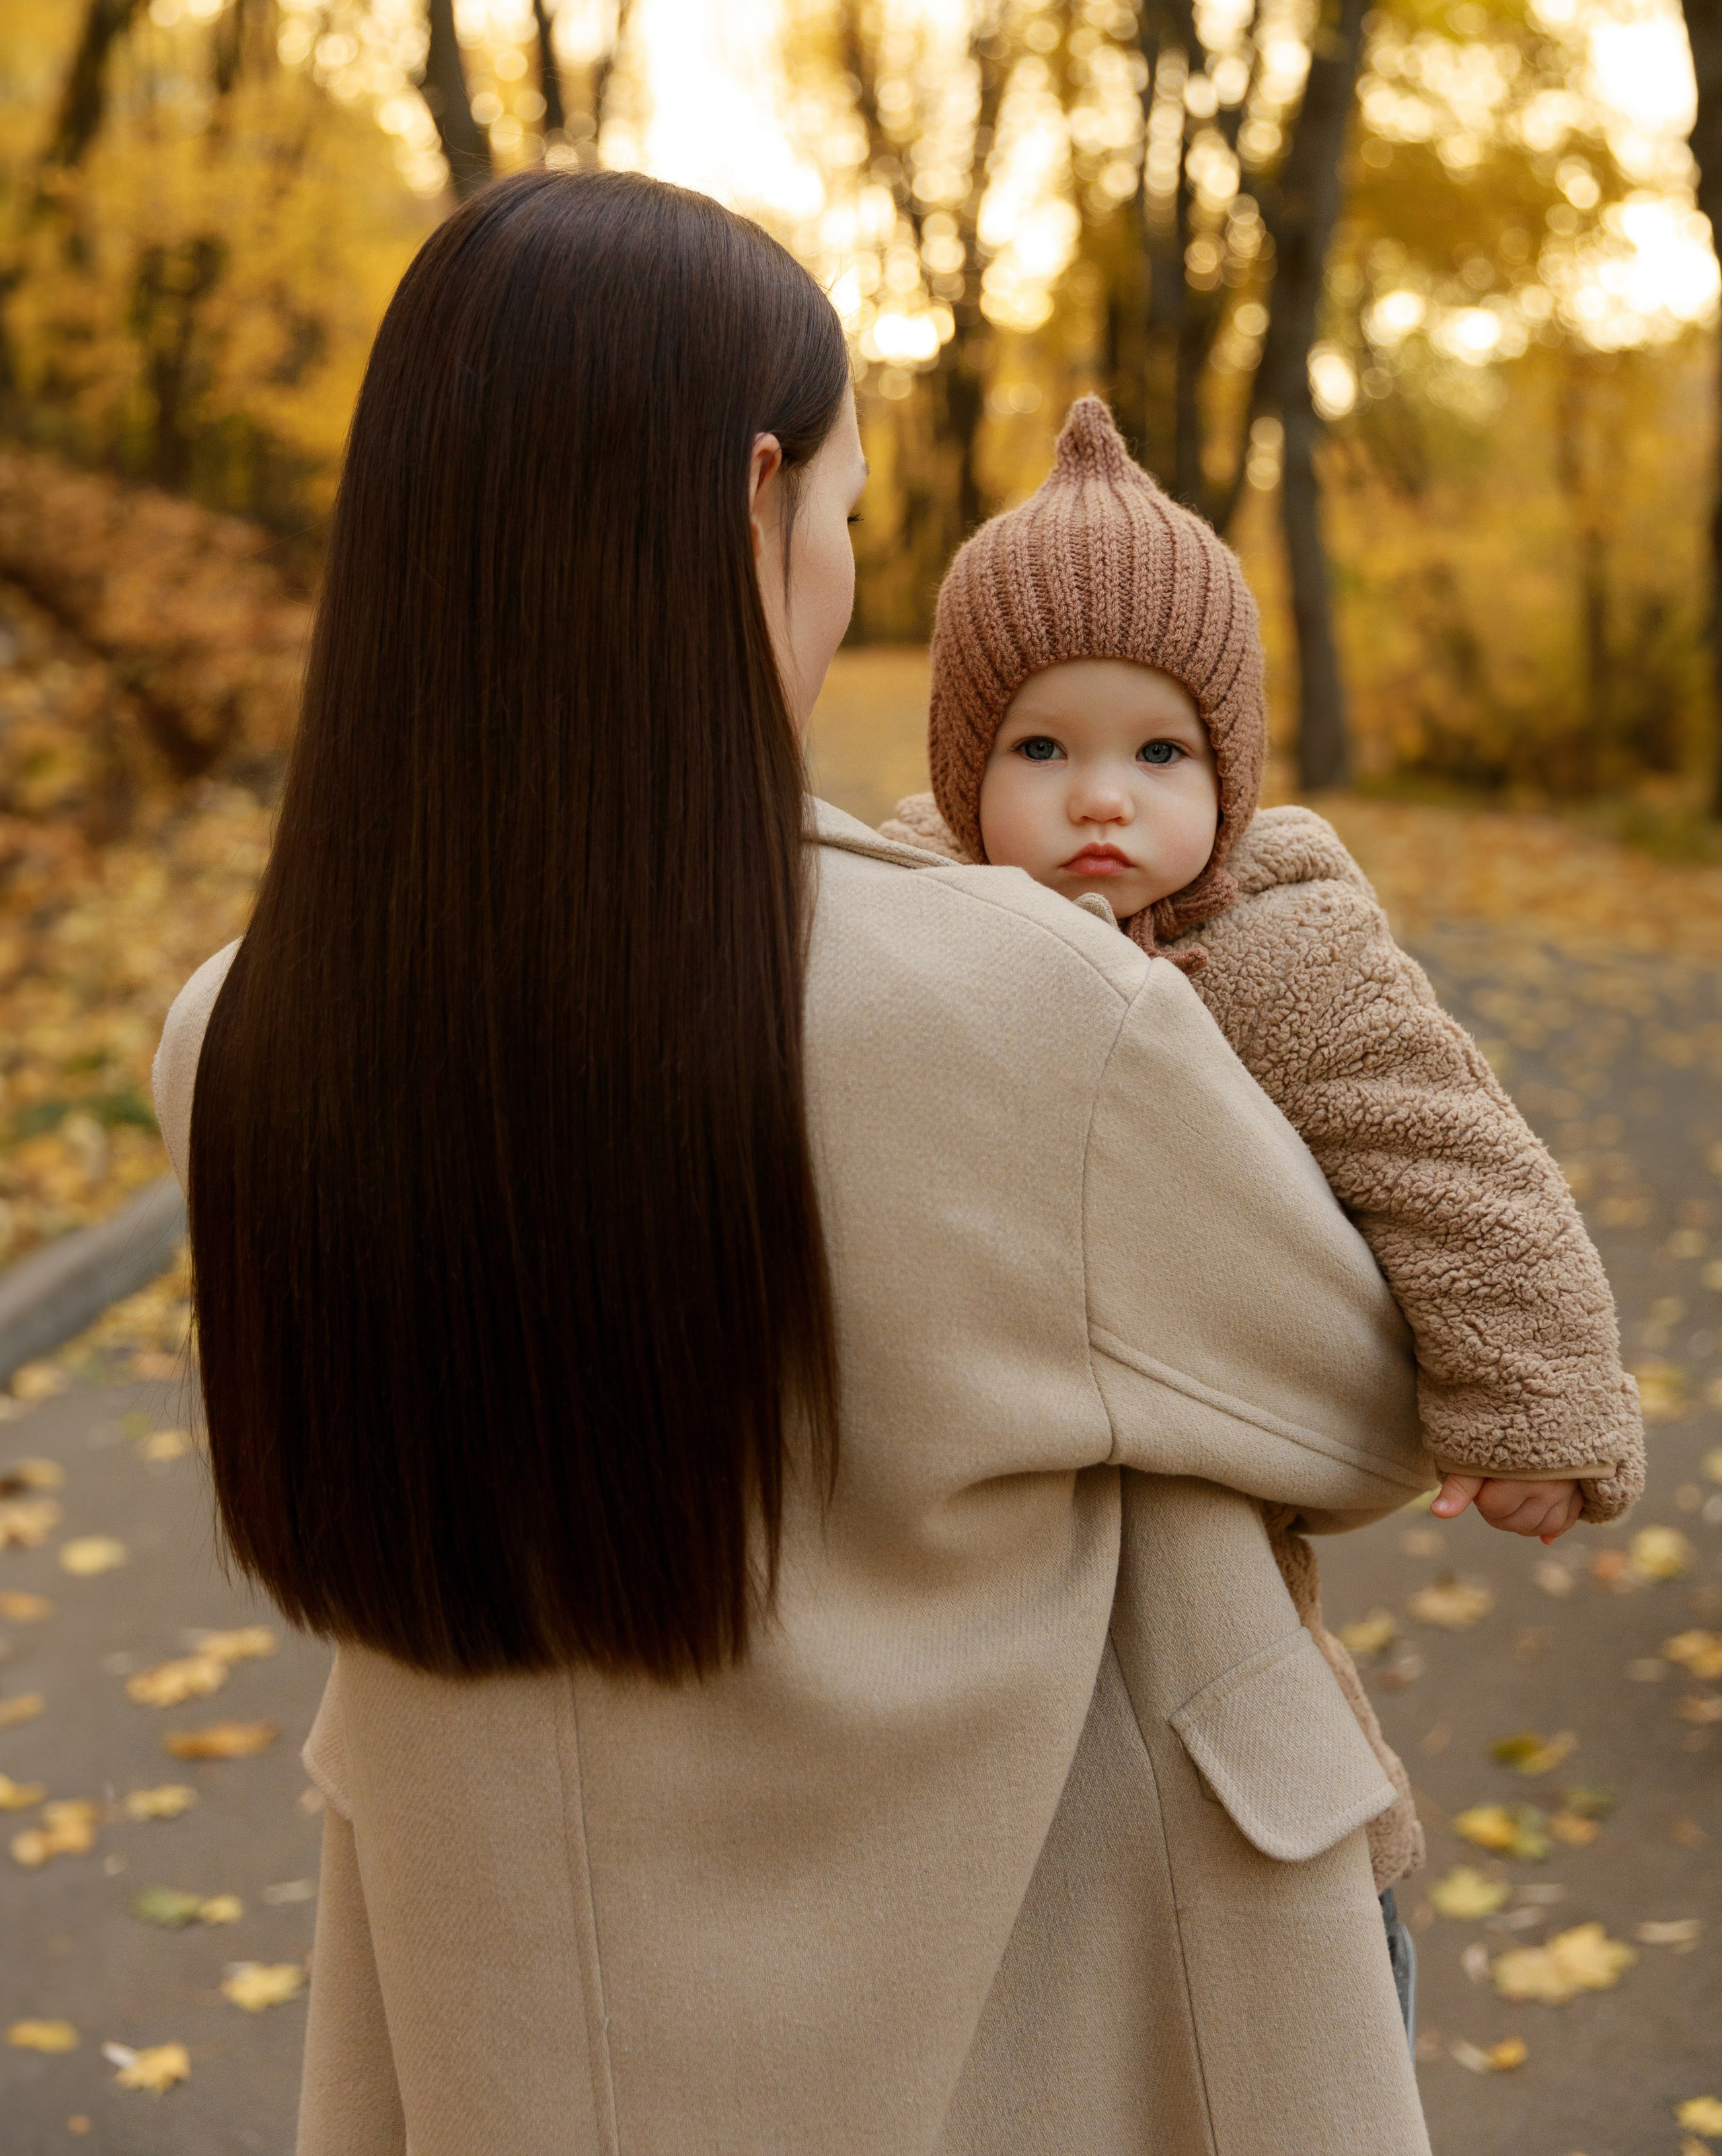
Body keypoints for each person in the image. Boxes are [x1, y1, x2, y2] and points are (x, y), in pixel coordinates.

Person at [155, 169, 1441, 2156]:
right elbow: (1361, 1412)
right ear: (754, 506)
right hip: (1044, 2041)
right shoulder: (1029, 1009)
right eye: (846, 518)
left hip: (511, 2053)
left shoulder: (239, 1039)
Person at [881, 391, 1645, 1945]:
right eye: (1041, 746)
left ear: (1226, 770)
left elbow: (1454, 1162)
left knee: (1245, 1766)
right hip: (977, 1490)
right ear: (964, 770)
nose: (1102, 797)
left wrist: (1534, 1405)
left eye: (1157, 749)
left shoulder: (1282, 956)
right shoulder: (913, 935)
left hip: (1212, 1496)